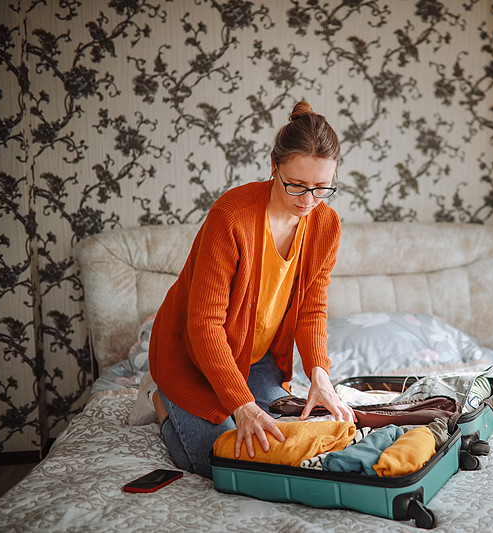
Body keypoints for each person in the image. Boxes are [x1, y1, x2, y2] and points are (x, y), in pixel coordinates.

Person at [148, 101, 356, 478]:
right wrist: (241, 406)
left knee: (279, 442)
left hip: (255, 358)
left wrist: (319, 374)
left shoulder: (326, 225)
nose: (308, 201)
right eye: (297, 185)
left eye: (322, 188)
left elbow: (312, 309)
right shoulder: (231, 217)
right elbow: (204, 325)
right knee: (217, 461)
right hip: (193, 355)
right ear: (274, 167)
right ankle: (161, 398)